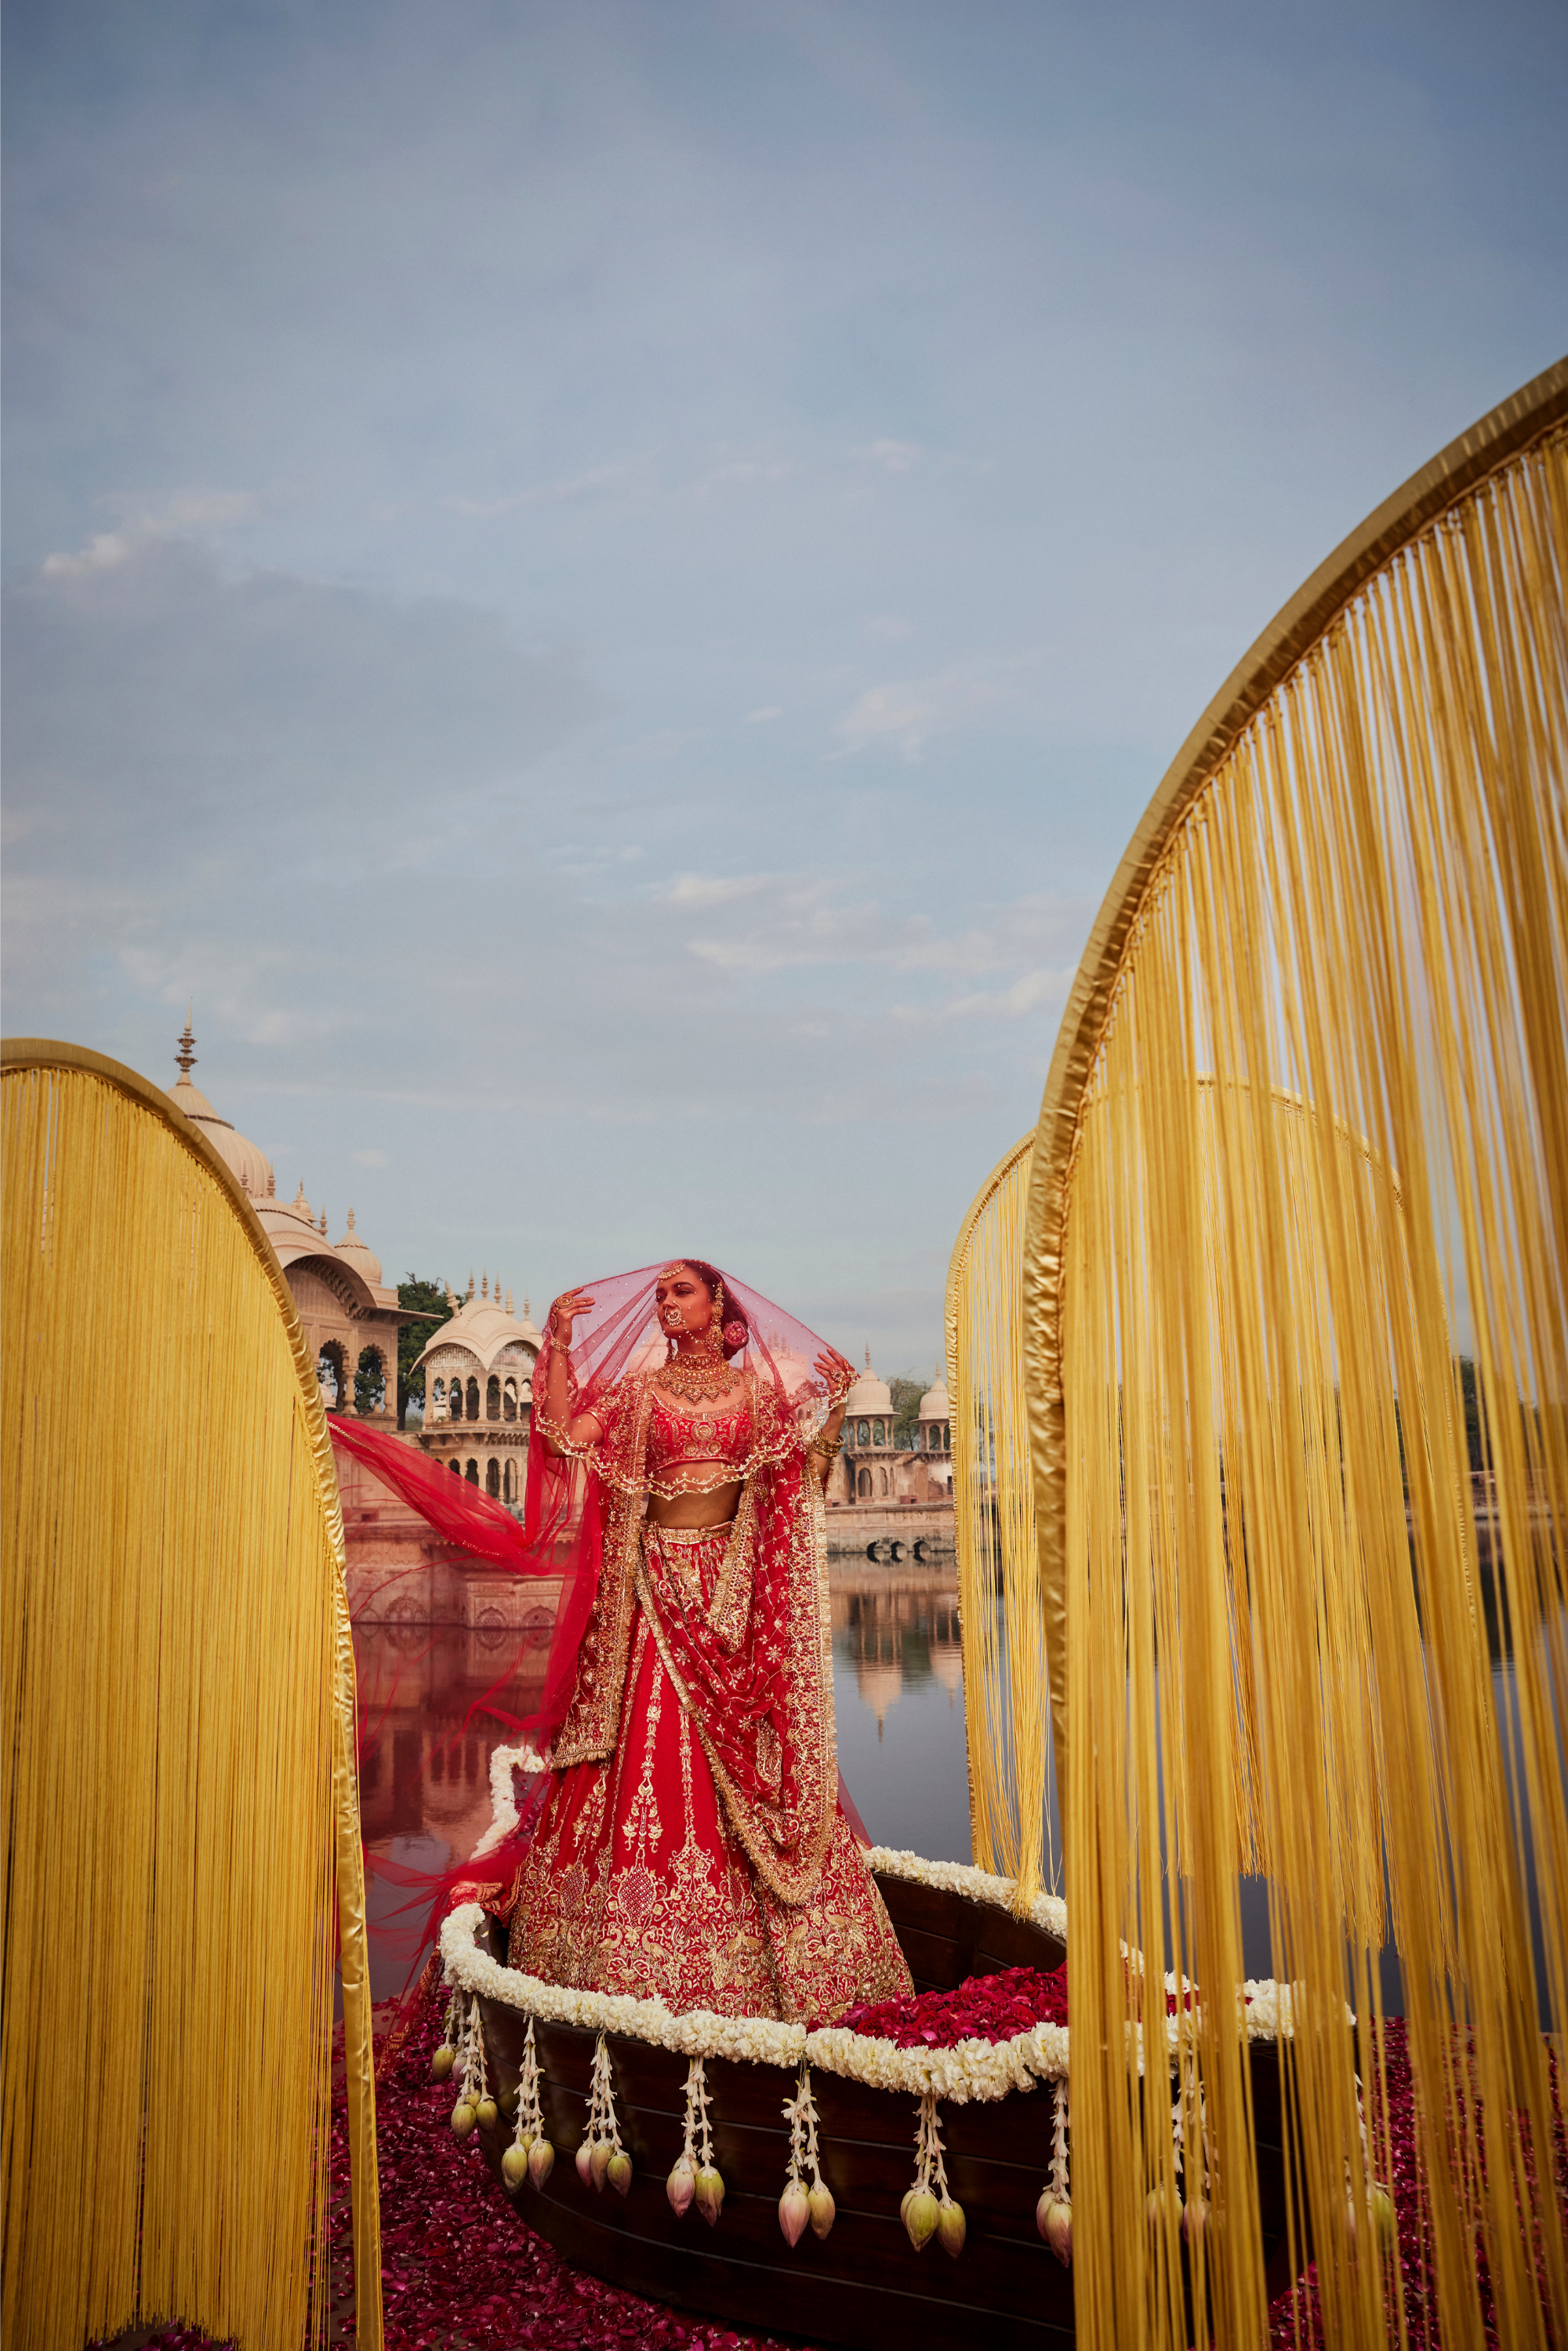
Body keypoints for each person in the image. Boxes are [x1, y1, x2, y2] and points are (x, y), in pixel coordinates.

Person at [496, 1259, 913, 2022]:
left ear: (718, 1303)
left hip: (731, 1609)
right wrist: (554, 1345)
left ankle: (784, 1970)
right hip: (653, 1600)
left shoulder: (756, 1394)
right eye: (658, 1294)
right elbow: (561, 1439)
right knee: (641, 1761)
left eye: (679, 1291)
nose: (663, 1303)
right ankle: (612, 1963)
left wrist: (832, 1412)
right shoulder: (639, 1393)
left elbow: (798, 1483)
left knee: (753, 1773)